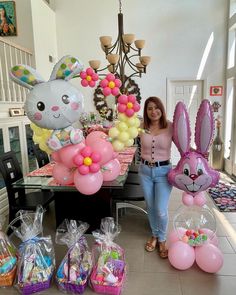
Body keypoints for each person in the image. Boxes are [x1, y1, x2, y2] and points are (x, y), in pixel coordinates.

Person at [139, 96, 173, 258]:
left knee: (160, 209)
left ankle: (162, 239)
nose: (154, 111)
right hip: (145, 171)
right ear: (146, 111)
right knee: (151, 207)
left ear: (162, 108)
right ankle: (154, 234)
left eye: (156, 107)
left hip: (164, 172)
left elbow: (184, 146)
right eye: (149, 108)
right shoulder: (140, 127)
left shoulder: (171, 127)